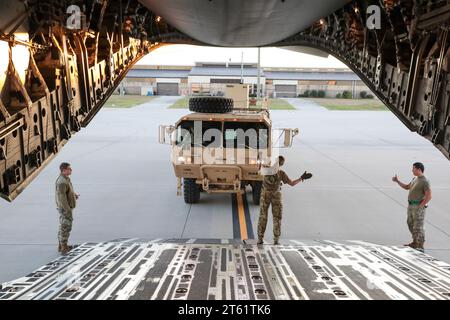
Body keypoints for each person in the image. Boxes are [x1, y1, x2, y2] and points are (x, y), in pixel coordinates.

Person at [257, 156, 308, 245]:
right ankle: (276, 240)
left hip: (265, 195)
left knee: (263, 216)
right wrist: (301, 178)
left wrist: (260, 160)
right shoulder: (281, 174)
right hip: (276, 196)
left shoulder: (266, 170)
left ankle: (260, 238)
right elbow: (292, 183)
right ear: (282, 164)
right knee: (277, 218)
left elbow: (258, 170)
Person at [392, 162, 432, 252]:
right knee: (410, 223)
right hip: (411, 206)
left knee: (418, 226)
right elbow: (407, 187)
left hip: (418, 206)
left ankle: (420, 245)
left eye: (413, 168)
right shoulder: (415, 179)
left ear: (419, 169)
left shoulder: (425, 181)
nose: (412, 170)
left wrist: (420, 207)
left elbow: (429, 196)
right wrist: (397, 181)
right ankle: (415, 242)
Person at [55, 162, 79, 254]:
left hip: (65, 207)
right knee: (66, 226)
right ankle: (63, 247)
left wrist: (74, 195)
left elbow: (67, 192)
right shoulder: (62, 182)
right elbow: (62, 198)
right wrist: (67, 210)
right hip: (65, 208)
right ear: (64, 170)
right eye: (69, 169)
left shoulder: (65, 179)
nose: (71, 170)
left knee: (63, 225)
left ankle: (61, 245)